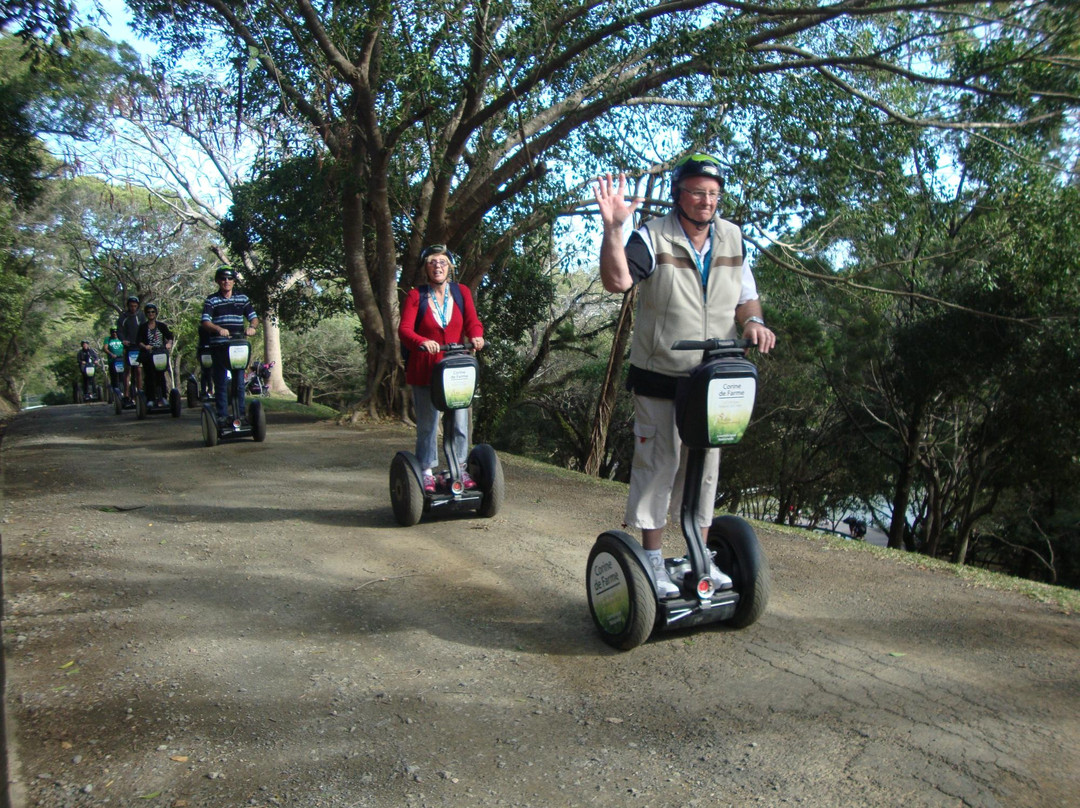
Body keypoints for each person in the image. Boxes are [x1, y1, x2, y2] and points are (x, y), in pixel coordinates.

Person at [594, 153, 777, 597]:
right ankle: (653, 558)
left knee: (706, 467)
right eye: (697, 192)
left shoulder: (732, 238)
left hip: (712, 380)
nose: (706, 201)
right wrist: (614, 229)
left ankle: (700, 555)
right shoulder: (652, 236)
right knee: (659, 464)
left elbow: (746, 297)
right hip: (660, 374)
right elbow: (617, 280)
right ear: (680, 194)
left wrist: (753, 322)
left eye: (713, 193)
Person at [398, 245, 485, 493]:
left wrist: (477, 336)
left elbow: (472, 322)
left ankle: (457, 468)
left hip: (456, 369)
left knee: (459, 421)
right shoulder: (417, 295)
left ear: (450, 267)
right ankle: (426, 470)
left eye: (443, 262)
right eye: (432, 262)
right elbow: (404, 330)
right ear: (426, 268)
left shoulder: (461, 292)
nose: (438, 266)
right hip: (425, 368)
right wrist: (422, 341)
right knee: (428, 423)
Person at [200, 266, 259, 425]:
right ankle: (222, 416)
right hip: (219, 346)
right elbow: (205, 321)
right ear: (218, 281)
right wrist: (218, 329)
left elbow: (253, 317)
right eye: (223, 279)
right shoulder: (212, 300)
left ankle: (240, 415)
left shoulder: (242, 299)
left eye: (229, 279)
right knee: (220, 381)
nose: (226, 281)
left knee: (239, 383)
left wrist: (252, 328)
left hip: (237, 346)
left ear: (234, 281)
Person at [136, 302, 175, 407]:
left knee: (161, 375)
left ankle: (163, 397)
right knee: (150, 376)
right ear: (146, 314)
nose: (151, 314)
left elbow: (170, 336)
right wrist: (145, 346)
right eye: (148, 312)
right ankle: (151, 399)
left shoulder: (161, 326)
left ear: (156, 313)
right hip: (148, 354)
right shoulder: (143, 327)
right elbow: (138, 341)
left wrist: (169, 343)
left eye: (153, 312)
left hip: (160, 353)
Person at [116, 295, 145, 400]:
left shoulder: (140, 316)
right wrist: (123, 340)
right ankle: (126, 394)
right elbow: (119, 330)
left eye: (135, 306)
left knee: (138, 370)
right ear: (128, 306)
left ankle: (140, 392)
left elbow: (144, 329)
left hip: (138, 346)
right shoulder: (123, 317)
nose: (133, 308)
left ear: (137, 306)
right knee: (127, 370)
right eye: (131, 306)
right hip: (128, 347)